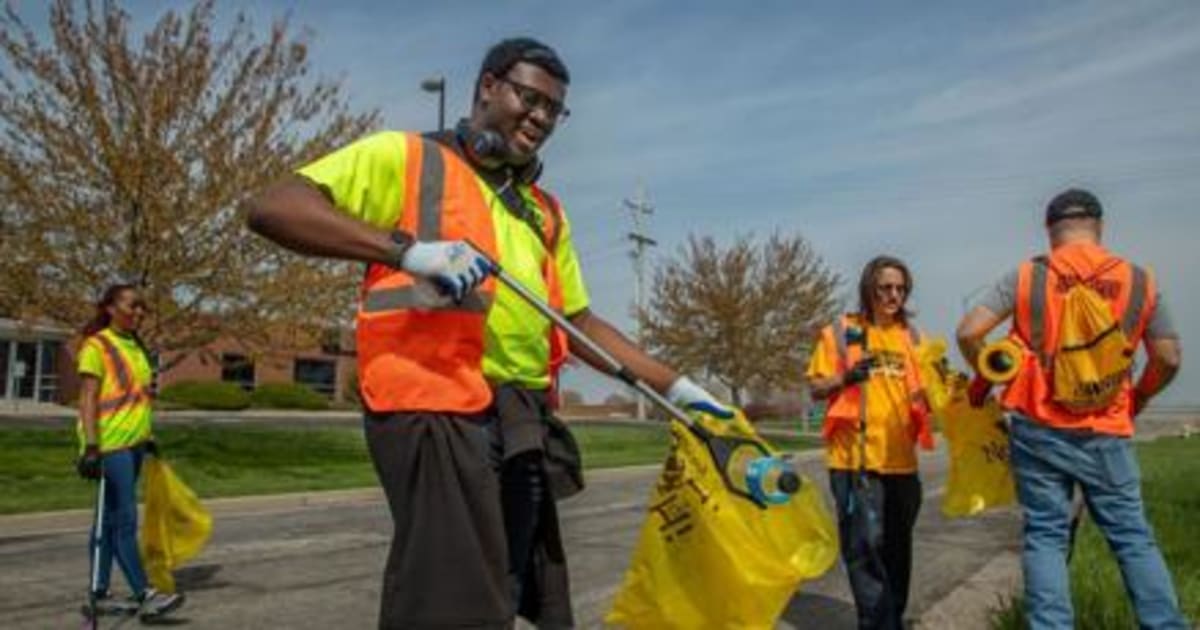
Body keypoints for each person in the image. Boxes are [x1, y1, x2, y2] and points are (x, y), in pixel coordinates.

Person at [246, 37, 730, 629]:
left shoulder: (543, 211)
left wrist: (678, 387)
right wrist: (408, 252)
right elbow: (274, 206)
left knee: (508, 585)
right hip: (431, 406)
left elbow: (577, 321)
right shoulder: (407, 158)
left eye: (555, 109)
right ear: (487, 87)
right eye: (530, 98)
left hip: (521, 416)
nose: (542, 117)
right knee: (451, 602)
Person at [956, 188, 1187, 629]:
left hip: (1038, 426)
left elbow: (969, 332)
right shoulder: (1139, 281)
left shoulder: (1028, 276)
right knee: (1133, 540)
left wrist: (989, 378)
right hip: (1107, 429)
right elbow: (1169, 357)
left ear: (1050, 230)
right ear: (1099, 227)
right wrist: (1138, 397)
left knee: (1045, 536)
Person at [806, 256, 933, 630]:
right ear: (869, 289)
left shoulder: (914, 338)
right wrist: (845, 378)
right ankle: (879, 625)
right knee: (863, 550)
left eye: (900, 288)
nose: (893, 295)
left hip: (902, 462)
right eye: (885, 288)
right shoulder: (841, 332)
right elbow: (815, 387)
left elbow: (932, 391)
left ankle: (890, 617)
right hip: (854, 461)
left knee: (897, 549)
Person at [75, 284, 184, 621]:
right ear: (109, 307)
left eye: (142, 308)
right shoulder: (97, 345)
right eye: (132, 306)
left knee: (107, 523)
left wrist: (147, 435)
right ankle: (144, 594)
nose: (138, 312)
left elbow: (135, 398)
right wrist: (91, 447)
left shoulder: (136, 347)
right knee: (124, 521)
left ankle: (100, 593)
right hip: (111, 445)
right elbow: (88, 399)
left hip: (134, 444)